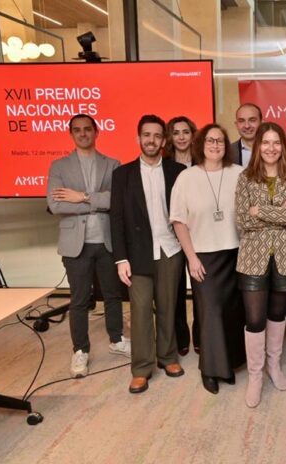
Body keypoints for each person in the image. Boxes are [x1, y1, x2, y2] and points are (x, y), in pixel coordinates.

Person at [46, 114, 130, 378]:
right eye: (77, 130)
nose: (82, 134)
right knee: (80, 300)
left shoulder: (112, 164)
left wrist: (80, 196)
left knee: (113, 295)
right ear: (71, 134)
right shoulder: (59, 166)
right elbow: (56, 205)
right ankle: (80, 350)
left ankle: (117, 339)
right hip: (75, 245)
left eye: (87, 129)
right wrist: (95, 202)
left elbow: (116, 200)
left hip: (106, 241)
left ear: (96, 131)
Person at [111, 114, 186, 394]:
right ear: (138, 138)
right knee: (141, 311)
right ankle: (141, 368)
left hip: (170, 249)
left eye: (156, 135)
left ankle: (167, 357)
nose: (151, 140)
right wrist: (121, 258)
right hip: (137, 254)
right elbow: (116, 219)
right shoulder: (122, 175)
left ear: (164, 140)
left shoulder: (178, 171)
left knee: (168, 306)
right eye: (146, 135)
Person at [169, 123, 246, 395]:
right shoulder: (186, 178)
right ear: (201, 144)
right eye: (210, 141)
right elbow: (178, 221)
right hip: (203, 257)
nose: (215, 145)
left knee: (233, 312)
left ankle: (232, 364)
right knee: (211, 313)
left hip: (237, 253)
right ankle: (211, 370)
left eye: (220, 141)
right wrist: (191, 257)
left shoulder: (239, 173)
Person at [234, 122, 286, 408]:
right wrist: (279, 211)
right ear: (258, 146)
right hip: (253, 257)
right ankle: (255, 375)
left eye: (276, 142)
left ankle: (273, 366)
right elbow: (243, 220)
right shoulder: (245, 178)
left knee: (277, 314)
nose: (271, 148)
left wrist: (259, 210)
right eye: (266, 142)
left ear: (283, 146)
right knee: (254, 319)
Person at [164, 116, 200, 356]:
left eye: (185, 132)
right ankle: (181, 335)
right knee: (175, 291)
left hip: (199, 236)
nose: (181, 137)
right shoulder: (163, 165)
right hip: (172, 236)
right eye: (176, 133)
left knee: (201, 290)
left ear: (192, 134)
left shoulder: (203, 162)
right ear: (170, 137)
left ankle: (201, 334)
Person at [231, 103, 262, 167]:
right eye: (241, 121)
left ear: (261, 123)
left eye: (252, 120)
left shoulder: (274, 150)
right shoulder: (227, 152)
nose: (247, 126)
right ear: (236, 125)